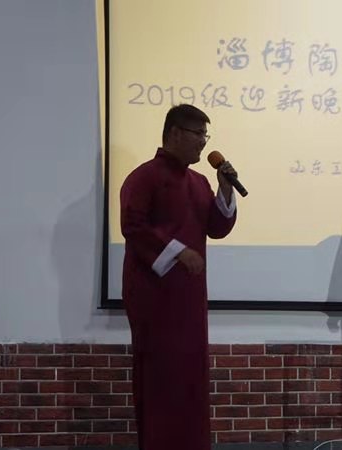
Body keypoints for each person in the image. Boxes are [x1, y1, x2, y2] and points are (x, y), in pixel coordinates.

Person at [120, 104, 238, 450]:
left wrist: (225, 190)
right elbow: (133, 225)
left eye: (205, 135)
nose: (203, 142)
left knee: (191, 380)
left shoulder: (200, 182)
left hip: (189, 298)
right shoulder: (144, 177)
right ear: (174, 133)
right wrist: (178, 252)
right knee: (161, 380)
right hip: (155, 299)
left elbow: (217, 228)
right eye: (197, 134)